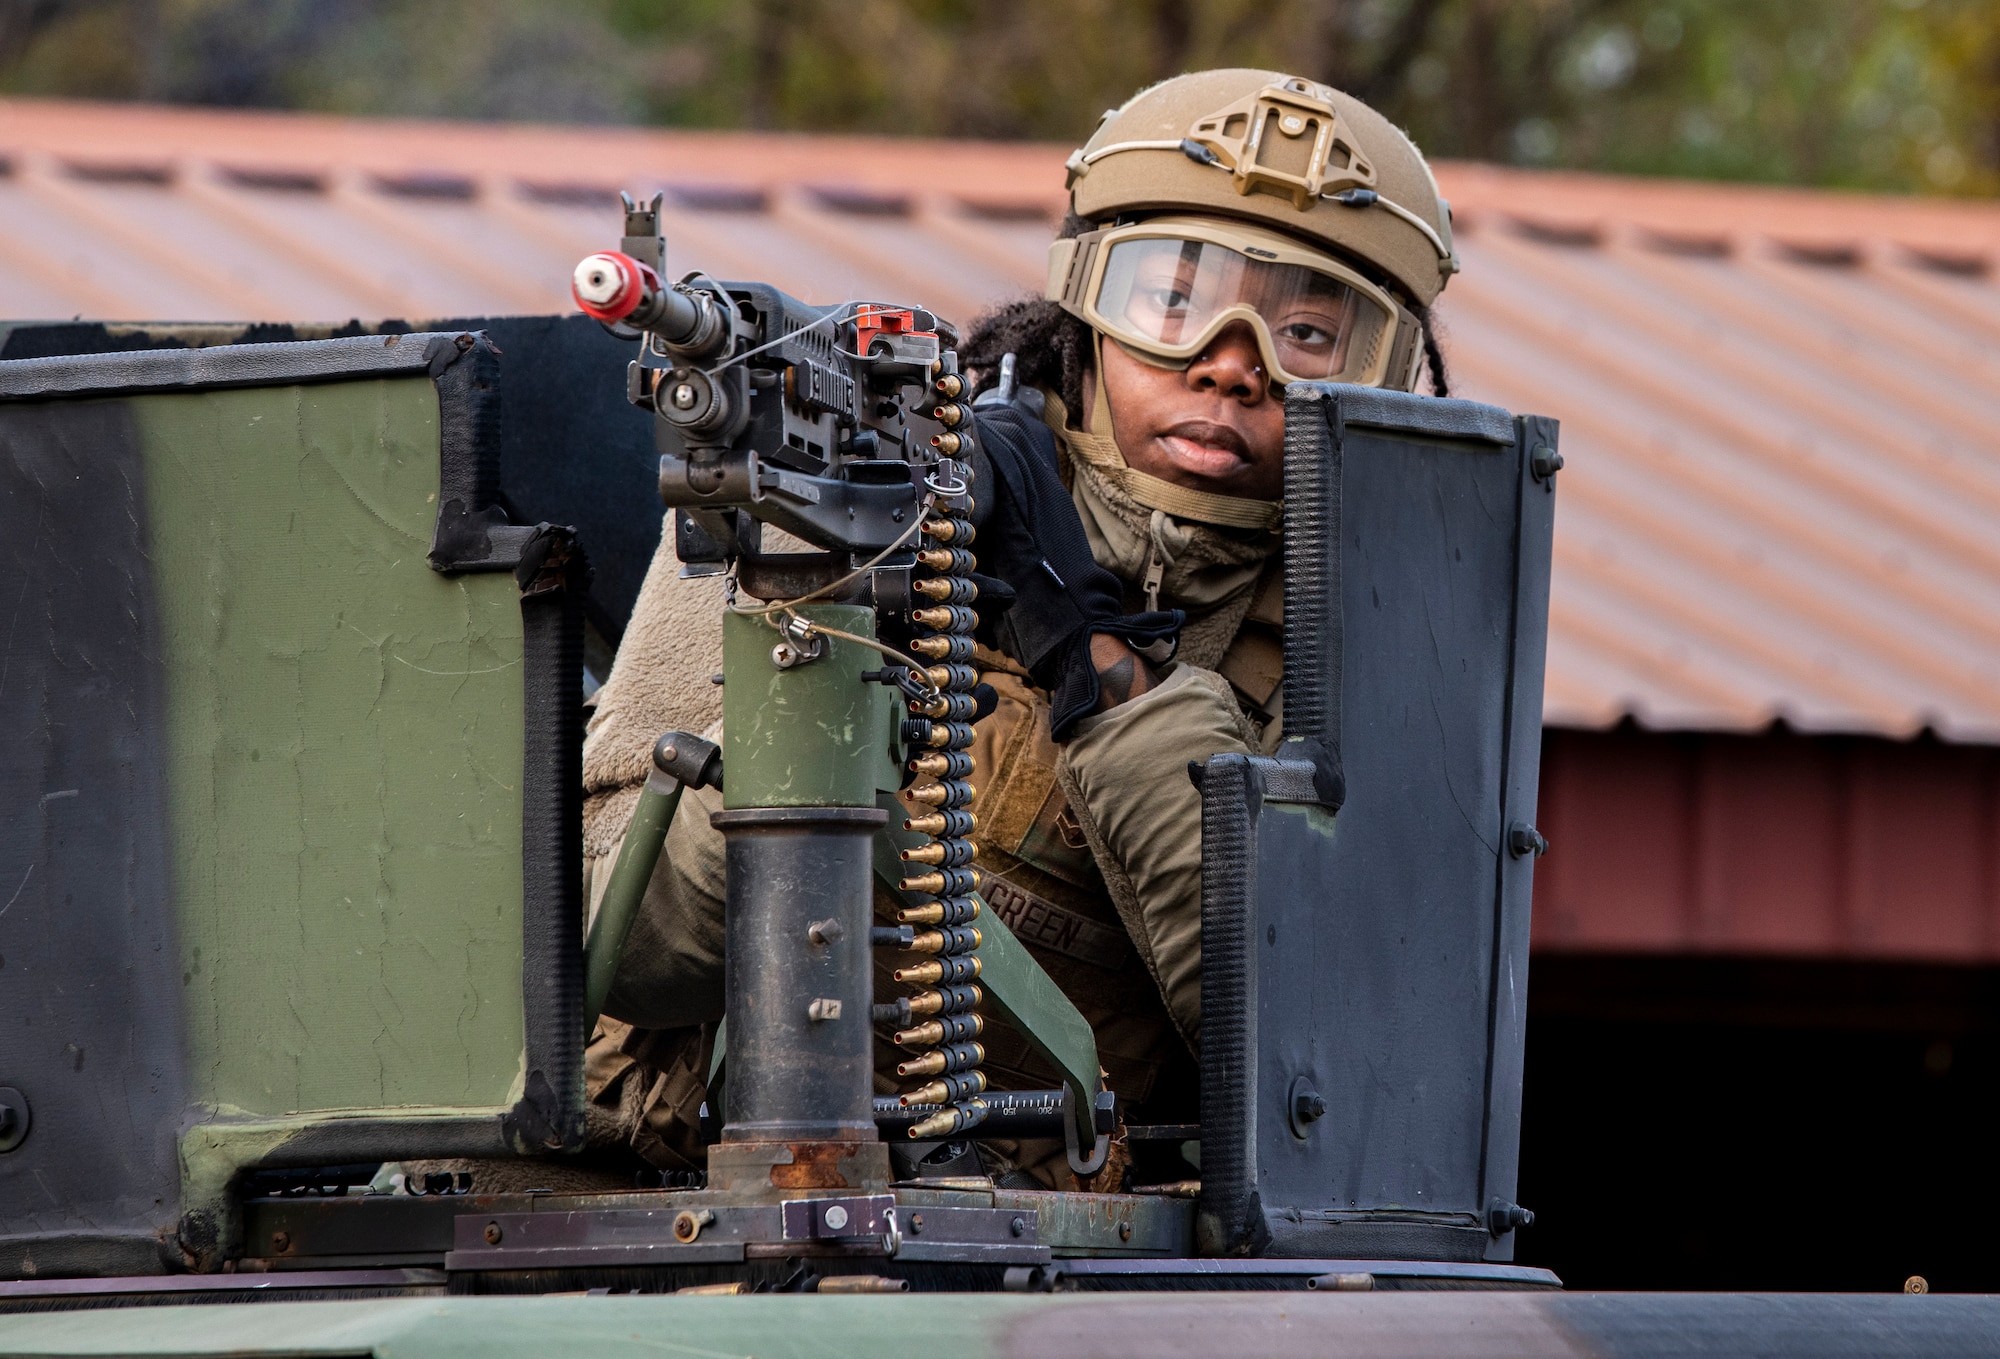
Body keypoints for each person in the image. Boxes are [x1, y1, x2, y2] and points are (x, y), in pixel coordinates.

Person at [576, 66, 1459, 1184]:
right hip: (689, 1199)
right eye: (1173, 304)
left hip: (1060, 1252)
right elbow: (601, 946)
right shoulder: (822, 486)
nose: (1230, 363)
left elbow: (1310, 1064)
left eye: (1305, 334)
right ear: (1083, 319)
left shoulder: (1372, 633)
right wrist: (823, 625)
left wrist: (1100, 669)